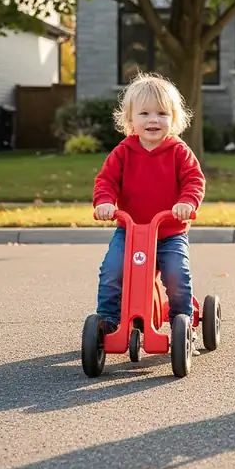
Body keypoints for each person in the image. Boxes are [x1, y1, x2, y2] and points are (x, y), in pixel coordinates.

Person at [92, 71, 206, 344]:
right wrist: (105, 202)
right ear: (130, 120)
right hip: (130, 234)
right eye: (144, 113)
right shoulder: (123, 151)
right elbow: (106, 181)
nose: (153, 120)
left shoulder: (179, 151)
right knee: (112, 270)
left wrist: (186, 203)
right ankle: (107, 321)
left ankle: (183, 322)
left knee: (177, 275)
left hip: (169, 233)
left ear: (174, 119)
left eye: (161, 114)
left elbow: (194, 180)